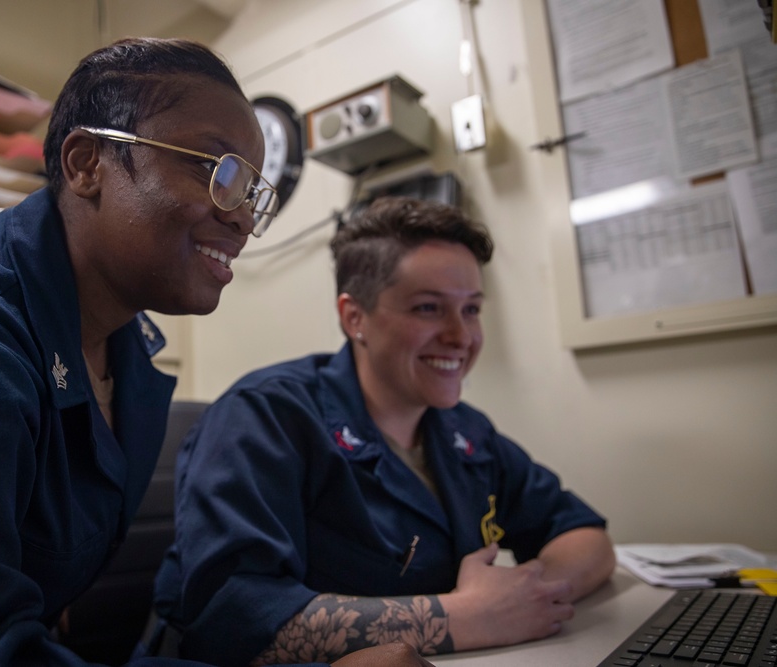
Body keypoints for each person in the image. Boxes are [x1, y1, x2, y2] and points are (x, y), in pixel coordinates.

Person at [0, 37, 430, 667]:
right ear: (86, 163)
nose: (241, 218)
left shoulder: (124, 351)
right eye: (217, 170)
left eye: (252, 191)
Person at [148, 196, 617, 666]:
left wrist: (529, 596)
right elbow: (232, 621)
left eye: (472, 310)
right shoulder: (266, 417)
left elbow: (582, 534)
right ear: (355, 317)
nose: (461, 336)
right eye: (429, 308)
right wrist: (463, 616)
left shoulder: (462, 430)